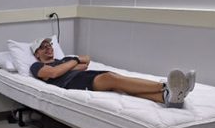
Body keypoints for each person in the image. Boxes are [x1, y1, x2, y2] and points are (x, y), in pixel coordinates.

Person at [29, 38, 196, 107]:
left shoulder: (64, 60)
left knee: (121, 85)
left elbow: (85, 62)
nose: (48, 48)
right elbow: (53, 73)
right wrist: (73, 61)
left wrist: (68, 65)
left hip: (82, 75)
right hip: (73, 82)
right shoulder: (36, 66)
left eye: (49, 45)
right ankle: (166, 86)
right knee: (111, 78)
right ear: (37, 54)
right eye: (43, 47)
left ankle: (168, 97)